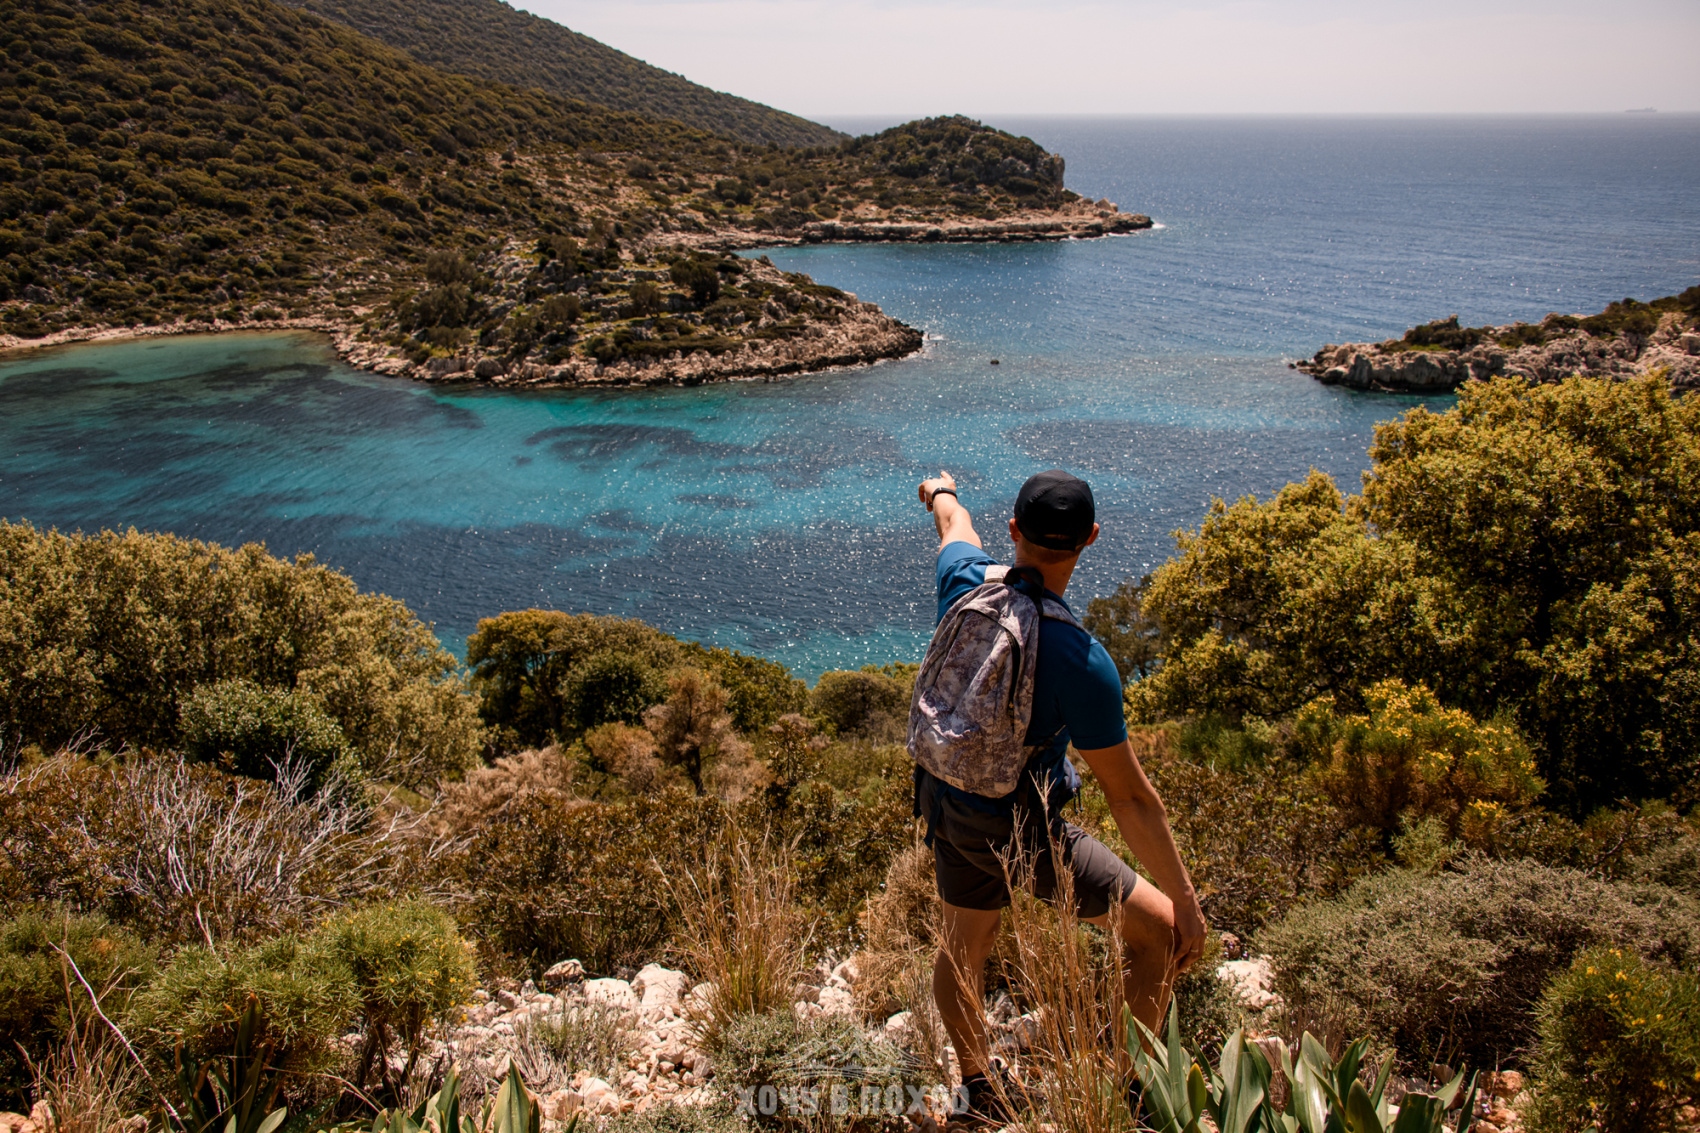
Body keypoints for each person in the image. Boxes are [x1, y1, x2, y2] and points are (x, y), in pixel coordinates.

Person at [912, 468, 1207, 1123]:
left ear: (1013, 529)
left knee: (964, 946)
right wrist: (1185, 901)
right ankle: (1125, 1096)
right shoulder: (1081, 660)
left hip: (948, 802)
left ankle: (979, 1088)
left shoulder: (965, 581)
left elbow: (954, 526)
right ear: (1091, 537)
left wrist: (941, 490)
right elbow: (1131, 800)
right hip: (1025, 829)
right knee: (1160, 933)